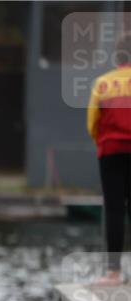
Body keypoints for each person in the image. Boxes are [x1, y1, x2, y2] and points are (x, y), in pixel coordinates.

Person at [88, 33, 131, 285]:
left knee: (114, 209)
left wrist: (102, 142)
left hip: (111, 150)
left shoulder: (102, 83)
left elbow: (92, 121)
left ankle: (113, 272)